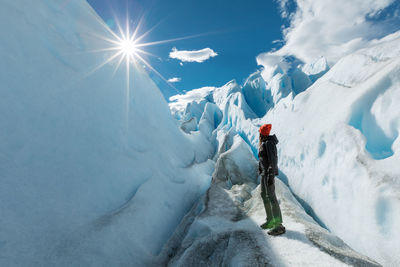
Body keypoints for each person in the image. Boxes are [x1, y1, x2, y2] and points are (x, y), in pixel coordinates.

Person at [258, 124, 286, 236]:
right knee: (264, 195)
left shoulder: (269, 143)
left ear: (262, 134)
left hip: (268, 174)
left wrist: (270, 175)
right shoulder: (265, 143)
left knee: (271, 197)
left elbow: (272, 161)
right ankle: (270, 220)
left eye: (260, 132)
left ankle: (278, 225)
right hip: (264, 174)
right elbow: (263, 159)